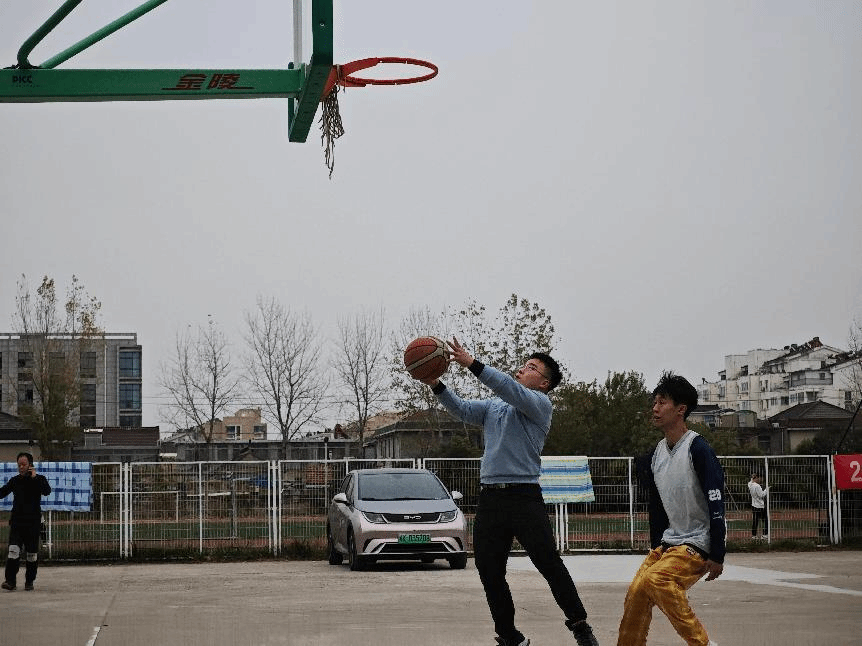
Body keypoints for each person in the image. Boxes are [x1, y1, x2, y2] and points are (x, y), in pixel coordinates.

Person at [414, 337, 599, 646]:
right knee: (489, 569)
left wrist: (471, 363)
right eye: (525, 364)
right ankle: (510, 636)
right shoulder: (495, 406)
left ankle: (580, 626)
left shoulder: (540, 404)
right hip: (491, 498)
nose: (523, 368)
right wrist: (436, 383)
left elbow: (507, 387)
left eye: (532, 367)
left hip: (524, 497)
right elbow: (462, 409)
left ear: (544, 383)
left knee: (548, 563)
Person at [616, 372, 725, 646]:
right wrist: (658, 546)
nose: (655, 408)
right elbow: (656, 507)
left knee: (658, 579)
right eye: (654, 402)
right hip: (670, 543)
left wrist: (717, 553)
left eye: (662, 402)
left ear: (680, 409)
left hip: (698, 543)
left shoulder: (698, 449)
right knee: (637, 592)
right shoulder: (657, 454)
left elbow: (716, 502)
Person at [1, 452, 52, 591]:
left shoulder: (39, 479)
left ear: (30, 465)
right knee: (13, 551)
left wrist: (35, 478)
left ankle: (29, 581)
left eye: (23, 464)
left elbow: (47, 491)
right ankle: (10, 581)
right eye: (19, 465)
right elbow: (2, 492)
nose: (21, 467)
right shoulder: (15, 480)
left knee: (31, 555)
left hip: (33, 524)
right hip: (17, 523)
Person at [747, 473, 768, 540]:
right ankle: (765, 534)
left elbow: (750, 482)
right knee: (765, 520)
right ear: (757, 478)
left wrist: (752, 478)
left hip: (754, 505)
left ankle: (754, 535)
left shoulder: (750, 484)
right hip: (760, 506)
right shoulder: (757, 486)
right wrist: (767, 489)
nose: (761, 480)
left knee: (755, 521)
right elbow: (761, 495)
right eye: (760, 478)